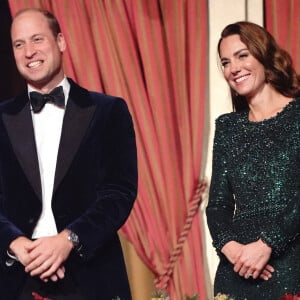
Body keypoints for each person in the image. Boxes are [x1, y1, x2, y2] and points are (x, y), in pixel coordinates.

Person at [0, 7, 137, 300]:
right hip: (16, 277)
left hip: (90, 275)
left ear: (60, 41)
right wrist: (15, 243)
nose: (29, 52)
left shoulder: (109, 111)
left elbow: (119, 193)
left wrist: (68, 240)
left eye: (37, 39)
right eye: (19, 44)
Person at [206, 21, 300, 299]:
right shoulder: (227, 126)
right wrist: (232, 249)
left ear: (264, 56)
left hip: (291, 260)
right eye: (225, 62)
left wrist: (268, 243)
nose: (233, 68)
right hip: (237, 269)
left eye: (242, 55)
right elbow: (218, 205)